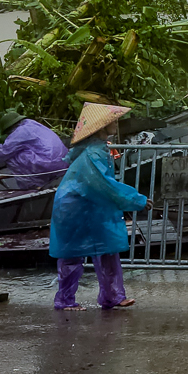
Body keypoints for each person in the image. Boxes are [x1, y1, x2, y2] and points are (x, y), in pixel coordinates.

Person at [50, 103, 152, 311]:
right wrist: (136, 200)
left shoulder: (94, 150)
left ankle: (112, 296)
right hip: (77, 207)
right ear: (101, 127)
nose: (115, 123)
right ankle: (66, 300)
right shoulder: (93, 153)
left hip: (87, 204)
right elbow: (104, 185)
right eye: (111, 120)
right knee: (73, 255)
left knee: (107, 249)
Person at [0, 111, 68, 188]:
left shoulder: (20, 131)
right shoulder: (32, 123)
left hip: (48, 163)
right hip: (63, 162)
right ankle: (49, 178)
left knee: (11, 157)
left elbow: (5, 150)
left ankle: (33, 185)